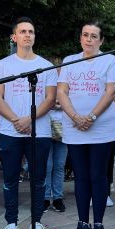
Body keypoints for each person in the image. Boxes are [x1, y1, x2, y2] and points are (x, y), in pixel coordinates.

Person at [0, 17, 57, 229]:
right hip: (10, 131)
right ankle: (11, 223)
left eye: (31, 31)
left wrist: (29, 118)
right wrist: (16, 120)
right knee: (10, 180)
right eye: (23, 31)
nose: (28, 35)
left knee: (38, 180)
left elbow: (50, 99)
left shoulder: (46, 65)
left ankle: (36, 222)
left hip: (39, 131)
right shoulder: (2, 65)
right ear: (14, 37)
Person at [58, 21, 115, 229]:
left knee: (98, 175)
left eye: (94, 36)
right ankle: (82, 223)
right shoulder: (69, 61)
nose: (89, 39)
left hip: (101, 128)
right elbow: (62, 91)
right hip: (74, 127)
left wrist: (92, 117)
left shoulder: (110, 60)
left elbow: (111, 90)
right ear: (80, 38)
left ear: (101, 41)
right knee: (81, 176)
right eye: (85, 35)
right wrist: (76, 117)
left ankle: (99, 225)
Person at [44, 57, 68, 213]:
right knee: (47, 166)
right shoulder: (45, 83)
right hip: (45, 128)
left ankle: (58, 198)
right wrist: (53, 103)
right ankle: (45, 198)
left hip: (64, 128)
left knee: (59, 166)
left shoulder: (67, 84)